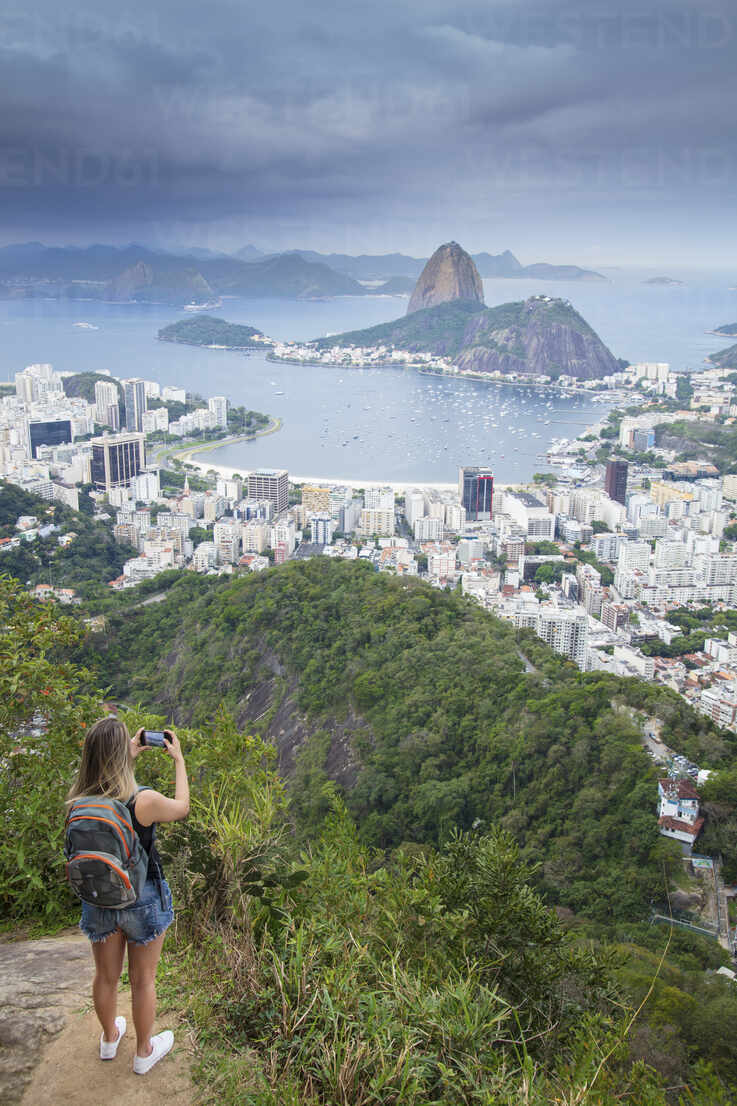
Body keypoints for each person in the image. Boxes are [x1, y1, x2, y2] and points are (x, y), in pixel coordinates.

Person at [67, 717, 190, 1074]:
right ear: (121, 754)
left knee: (105, 977)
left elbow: (109, 791)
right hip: (143, 901)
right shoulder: (145, 800)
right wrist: (179, 760)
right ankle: (144, 1052)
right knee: (143, 980)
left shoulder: (79, 802)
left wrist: (127, 755)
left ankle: (109, 1038)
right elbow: (182, 807)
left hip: (99, 900)